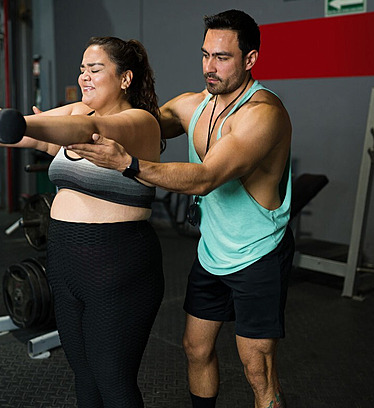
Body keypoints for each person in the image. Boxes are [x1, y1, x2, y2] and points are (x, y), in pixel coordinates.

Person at [0, 37, 164, 408]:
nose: (84, 77)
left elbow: (78, 132)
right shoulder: (79, 111)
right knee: (85, 379)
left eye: (95, 70)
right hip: (64, 263)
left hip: (117, 265)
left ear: (125, 79)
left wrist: (17, 120)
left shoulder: (138, 122)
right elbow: (23, 137)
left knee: (113, 381)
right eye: (82, 69)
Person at [68, 10, 294, 408]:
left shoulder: (263, 115)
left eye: (222, 57)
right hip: (211, 253)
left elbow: (207, 177)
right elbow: (140, 124)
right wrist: (82, 112)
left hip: (258, 254)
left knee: (257, 370)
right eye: (205, 55)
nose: (210, 66)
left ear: (251, 59)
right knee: (195, 349)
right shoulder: (192, 106)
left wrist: (128, 164)